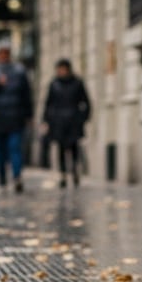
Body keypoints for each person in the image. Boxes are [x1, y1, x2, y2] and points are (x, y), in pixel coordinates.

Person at [0, 44, 33, 191]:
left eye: (5, 54)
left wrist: (28, 115)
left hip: (15, 117)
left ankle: (16, 176)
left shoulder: (19, 72)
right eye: (1, 54)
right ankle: (2, 179)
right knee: (0, 150)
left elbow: (26, 96)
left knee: (14, 148)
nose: (3, 57)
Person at [42, 58, 92, 188]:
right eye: (59, 69)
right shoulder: (54, 84)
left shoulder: (77, 83)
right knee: (61, 149)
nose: (61, 71)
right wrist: (47, 120)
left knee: (73, 147)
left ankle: (74, 170)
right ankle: (63, 174)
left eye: (63, 69)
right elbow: (48, 103)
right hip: (58, 121)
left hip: (73, 121)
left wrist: (82, 118)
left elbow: (86, 102)